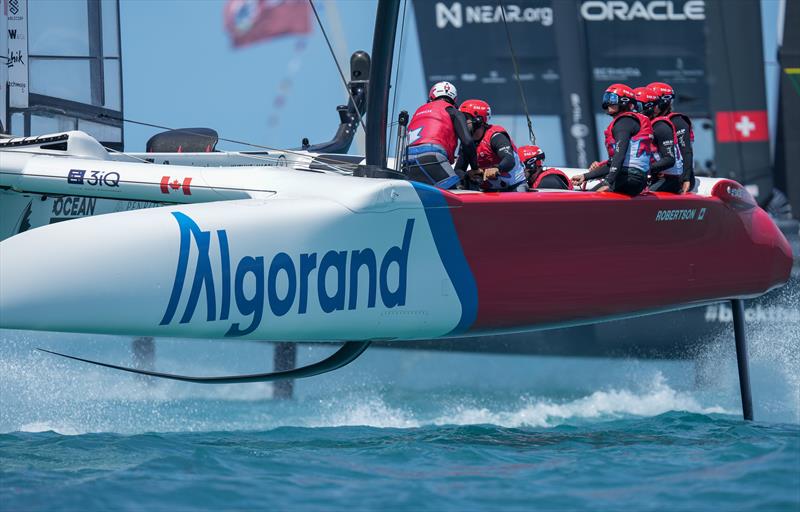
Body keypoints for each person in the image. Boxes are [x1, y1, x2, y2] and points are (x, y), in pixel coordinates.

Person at [572, 83, 652, 196]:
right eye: (606, 98)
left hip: (628, 177)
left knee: (588, 198)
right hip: (635, 178)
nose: (607, 102)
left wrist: (609, 182)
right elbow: (613, 163)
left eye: (612, 98)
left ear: (624, 101)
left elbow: (619, 154)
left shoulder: (624, 122)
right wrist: (585, 176)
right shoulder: (629, 121)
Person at [403, 81, 478, 189]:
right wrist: (475, 167)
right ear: (454, 99)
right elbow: (468, 141)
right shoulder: (453, 111)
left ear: (432, 96)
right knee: (457, 194)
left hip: (407, 162)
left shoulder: (418, 111)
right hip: (432, 158)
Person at [456, 99, 528, 192]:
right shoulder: (466, 142)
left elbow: (509, 160)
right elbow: (458, 170)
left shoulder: (495, 136)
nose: (461, 124)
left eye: (465, 119)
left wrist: (497, 168)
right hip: (489, 190)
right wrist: (467, 175)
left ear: (478, 120)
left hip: (514, 186)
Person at [634, 86, 683, 193]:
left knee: (638, 195)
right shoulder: (640, 127)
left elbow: (669, 159)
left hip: (669, 179)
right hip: (653, 176)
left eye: (636, 107)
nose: (633, 111)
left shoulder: (660, 126)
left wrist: (642, 169)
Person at [648, 81, 695, 194]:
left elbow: (686, 151)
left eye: (654, 102)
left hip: (677, 177)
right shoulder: (650, 121)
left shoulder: (677, 121)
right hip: (657, 174)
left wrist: (687, 178)